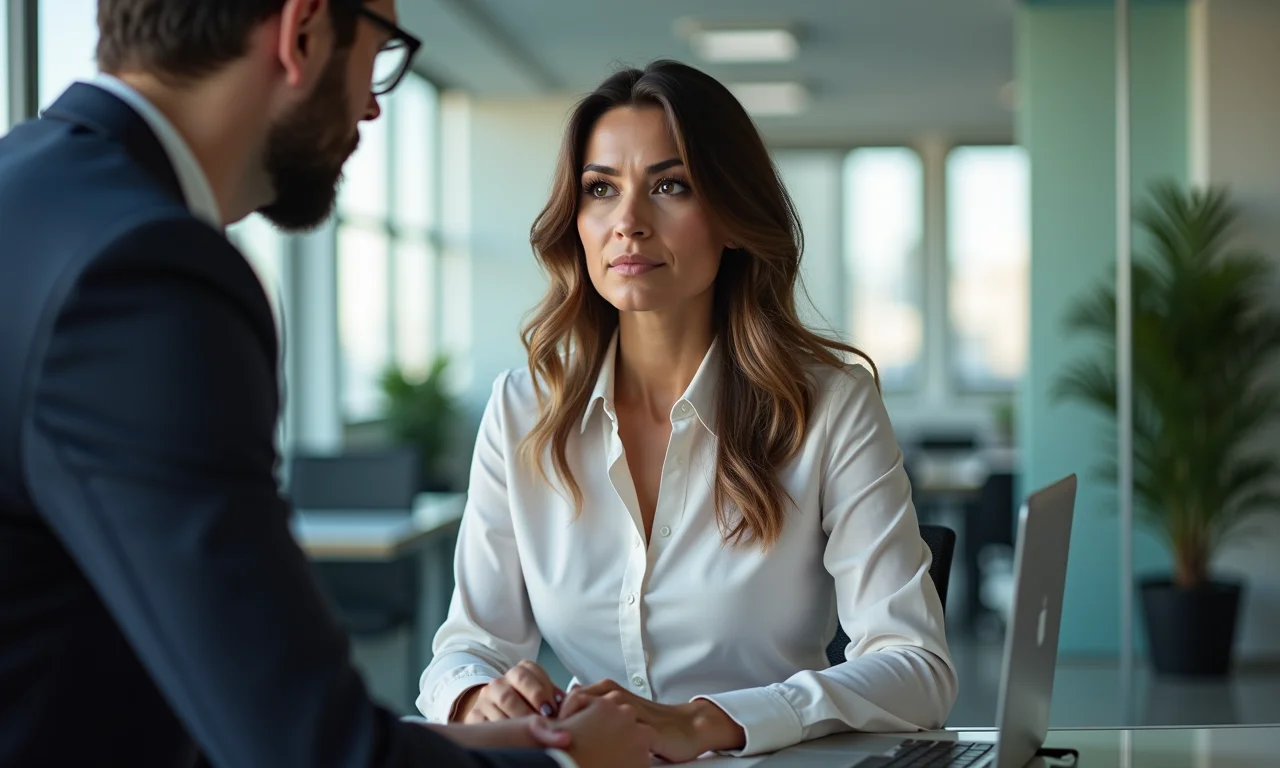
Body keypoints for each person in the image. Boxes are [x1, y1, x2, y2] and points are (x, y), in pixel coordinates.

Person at [0, 1, 653, 766]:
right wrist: (568, 761)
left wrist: (498, 740)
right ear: (302, 32)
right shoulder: (145, 272)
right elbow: (306, 751)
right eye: (379, 54)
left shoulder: (30, 192)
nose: (375, 104)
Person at [418, 59, 959, 762]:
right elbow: (470, 645)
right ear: (575, 222)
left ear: (732, 217)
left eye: (670, 187)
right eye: (600, 190)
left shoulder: (829, 405)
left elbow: (918, 668)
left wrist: (705, 722)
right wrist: (476, 697)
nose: (629, 223)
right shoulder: (524, 409)